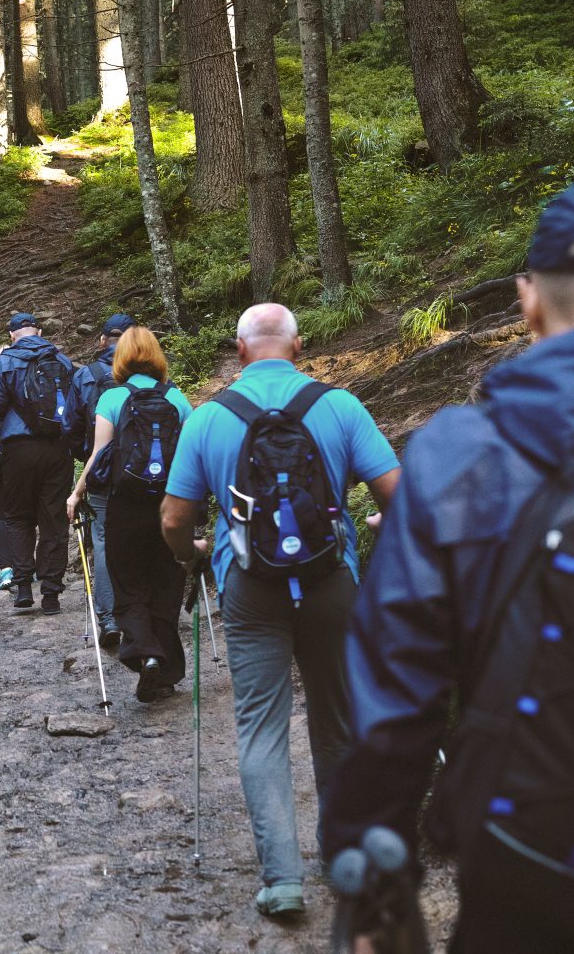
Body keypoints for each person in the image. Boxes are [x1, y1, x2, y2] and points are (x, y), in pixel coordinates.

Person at [322, 181, 574, 954]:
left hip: (530, 854)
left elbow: (396, 686)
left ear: (528, 298)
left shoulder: (462, 454)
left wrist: (372, 863)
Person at [159, 302, 400, 919]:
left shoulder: (209, 416)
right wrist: (381, 524)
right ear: (299, 347)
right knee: (336, 719)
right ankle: (343, 857)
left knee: (260, 726)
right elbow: (398, 495)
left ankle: (282, 881)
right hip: (331, 582)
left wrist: (190, 553)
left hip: (248, 587)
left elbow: (172, 516)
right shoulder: (339, 406)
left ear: (239, 351)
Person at [67, 326, 192, 700]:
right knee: (166, 584)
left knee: (129, 584)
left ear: (120, 357)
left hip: (125, 505)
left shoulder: (113, 397)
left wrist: (76, 494)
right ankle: (166, 669)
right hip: (169, 504)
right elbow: (188, 458)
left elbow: (98, 455)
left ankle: (145, 654)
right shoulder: (177, 398)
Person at [0, 312, 74, 613]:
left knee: (18, 517)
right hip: (57, 448)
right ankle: (52, 594)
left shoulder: (4, 362)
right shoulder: (63, 361)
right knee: (54, 521)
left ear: (12, 334)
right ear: (38, 331)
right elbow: (75, 405)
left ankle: (24, 587)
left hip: (18, 449)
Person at [65, 312, 135, 649]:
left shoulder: (87, 375)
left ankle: (109, 617)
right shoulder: (155, 377)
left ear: (102, 340)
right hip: (148, 473)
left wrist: (87, 458)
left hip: (103, 472)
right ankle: (142, 613)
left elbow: (72, 427)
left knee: (104, 540)